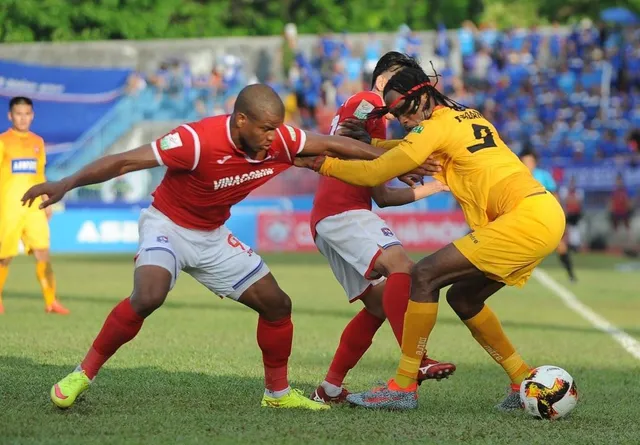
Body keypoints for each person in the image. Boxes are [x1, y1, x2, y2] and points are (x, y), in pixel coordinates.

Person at [23, 84, 439, 411]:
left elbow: (333, 145)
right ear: (241, 120)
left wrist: (395, 163)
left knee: (278, 305)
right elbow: (124, 162)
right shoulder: (195, 141)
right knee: (148, 295)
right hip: (168, 225)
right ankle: (83, 373)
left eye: (278, 127)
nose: (275, 137)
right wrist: (65, 183)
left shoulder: (279, 138)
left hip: (213, 236)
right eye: (265, 128)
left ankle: (276, 394)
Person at [296, 66, 565, 411]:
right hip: (541, 213)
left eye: (404, 111)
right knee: (464, 299)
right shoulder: (464, 116)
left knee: (423, 275)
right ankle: (521, 377)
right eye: (395, 115)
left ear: (423, 97)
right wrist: (373, 142)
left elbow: (379, 171)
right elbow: (417, 146)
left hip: (523, 219)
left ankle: (403, 386)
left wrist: (321, 163)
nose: (403, 121)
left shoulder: (433, 126)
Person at [309, 52, 455, 404]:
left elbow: (383, 196)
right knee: (403, 267)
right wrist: (396, 160)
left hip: (334, 215)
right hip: (341, 211)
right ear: (382, 78)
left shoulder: (380, 119)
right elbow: (348, 140)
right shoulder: (367, 102)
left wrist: (430, 187)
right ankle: (416, 360)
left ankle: (329, 388)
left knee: (377, 308)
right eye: (399, 78)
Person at [0, 97, 69, 315]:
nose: (23, 118)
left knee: (42, 252)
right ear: (10, 116)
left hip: (33, 209)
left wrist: (46, 201)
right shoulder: (3, 141)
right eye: (19, 114)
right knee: (4, 256)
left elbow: (40, 174)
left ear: (32, 115)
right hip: (8, 207)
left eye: (27, 113)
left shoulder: (38, 142)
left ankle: (51, 301)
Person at [520, 147, 576, 282]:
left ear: (534, 162)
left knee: (560, 245)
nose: (527, 164)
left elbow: (554, 194)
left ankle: (571, 274)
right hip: (525, 217)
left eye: (529, 161)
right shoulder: (519, 176)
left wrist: (558, 213)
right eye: (524, 161)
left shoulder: (543, 176)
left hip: (544, 216)